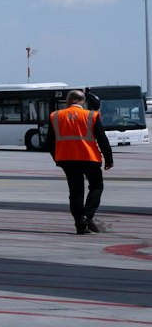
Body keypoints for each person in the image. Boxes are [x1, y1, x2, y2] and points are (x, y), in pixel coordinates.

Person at [50, 90, 114, 234]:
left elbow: (50, 142)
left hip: (67, 160)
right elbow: (102, 140)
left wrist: (57, 157)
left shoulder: (55, 116)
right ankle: (87, 215)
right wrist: (108, 159)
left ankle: (80, 226)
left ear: (68, 100)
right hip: (89, 158)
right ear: (83, 101)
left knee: (75, 192)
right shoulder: (91, 115)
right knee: (96, 187)